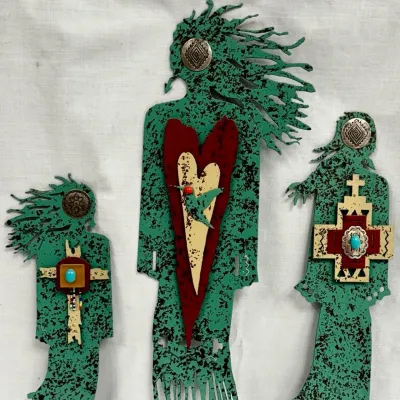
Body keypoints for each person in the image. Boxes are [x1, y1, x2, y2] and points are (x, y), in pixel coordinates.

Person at [138, 1, 314, 398]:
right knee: (170, 325)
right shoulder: (159, 119)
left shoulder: (239, 122)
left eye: (200, 56)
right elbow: (153, 191)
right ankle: (173, 389)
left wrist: (245, 257)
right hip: (174, 247)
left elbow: (247, 193)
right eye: (189, 56)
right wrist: (149, 252)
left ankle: (213, 389)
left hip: (221, 248)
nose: (195, 66)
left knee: (214, 328)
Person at [288, 112, 392, 400]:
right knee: (335, 329)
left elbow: (380, 242)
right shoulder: (357, 183)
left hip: (353, 283)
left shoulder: (374, 187)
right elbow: (323, 236)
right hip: (340, 282)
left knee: (351, 330)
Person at [6, 174, 112, 400]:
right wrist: (45, 325)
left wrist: (103, 325)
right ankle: (55, 389)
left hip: (88, 320)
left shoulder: (97, 245)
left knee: (85, 358)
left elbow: (102, 282)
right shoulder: (49, 245)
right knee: (61, 353)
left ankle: (80, 393)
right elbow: (44, 282)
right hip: (60, 317)